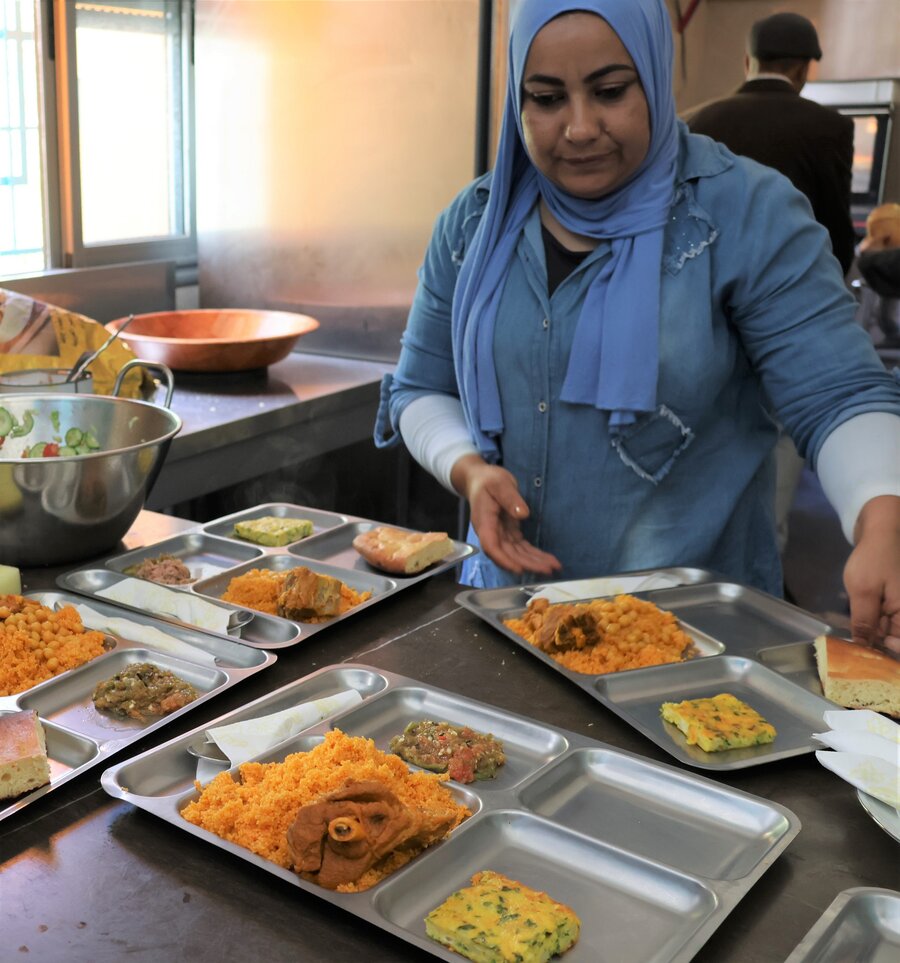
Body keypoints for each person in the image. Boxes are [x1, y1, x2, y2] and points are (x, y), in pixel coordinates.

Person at [374, 0, 900, 650]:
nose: (579, 127)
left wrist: (881, 520)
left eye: (610, 91)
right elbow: (419, 386)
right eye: (545, 97)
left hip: (693, 645)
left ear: (653, 74)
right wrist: (468, 469)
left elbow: (839, 394)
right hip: (512, 623)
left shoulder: (742, 214)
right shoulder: (475, 223)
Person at [683, 12, 856, 275]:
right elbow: (835, 229)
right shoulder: (831, 126)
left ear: (747, 62)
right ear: (802, 69)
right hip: (787, 282)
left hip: (706, 279)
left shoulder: (693, 120)